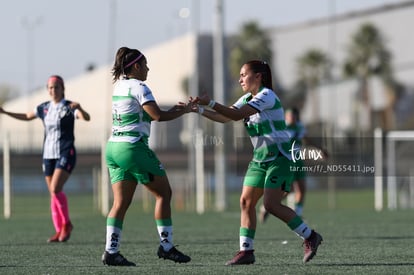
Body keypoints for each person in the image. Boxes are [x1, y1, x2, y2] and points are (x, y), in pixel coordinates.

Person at [191, 60, 323, 265]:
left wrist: (209, 102)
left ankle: (310, 236)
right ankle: (246, 251)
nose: (240, 78)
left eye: (244, 74)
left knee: (270, 204)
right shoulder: (247, 97)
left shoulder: (267, 96)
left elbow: (235, 115)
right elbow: (225, 117)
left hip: (280, 158)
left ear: (258, 76)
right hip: (260, 159)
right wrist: (198, 110)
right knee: (246, 202)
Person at [102, 46, 192, 266]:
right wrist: (185, 110)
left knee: (120, 203)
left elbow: (142, 115)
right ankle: (167, 246)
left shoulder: (120, 86)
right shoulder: (139, 86)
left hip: (113, 148)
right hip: (133, 149)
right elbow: (158, 116)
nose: (148, 69)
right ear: (136, 66)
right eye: (146, 65)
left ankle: (111, 251)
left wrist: (175, 110)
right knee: (164, 193)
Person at [0, 75, 90, 243]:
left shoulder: (70, 107)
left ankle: (67, 225)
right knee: (53, 194)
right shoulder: (44, 108)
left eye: (56, 87)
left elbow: (86, 118)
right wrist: (6, 112)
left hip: (65, 152)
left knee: (55, 188)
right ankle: (59, 230)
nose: (53, 90)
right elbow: (27, 116)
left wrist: (81, 109)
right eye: (50, 87)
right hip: (48, 155)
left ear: (62, 88)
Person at [259, 107, 327, 222]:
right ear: (285, 116)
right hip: (286, 161)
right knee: (288, 190)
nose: (291, 118)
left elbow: (306, 139)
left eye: (293, 116)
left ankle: (298, 214)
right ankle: (266, 207)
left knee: (301, 188)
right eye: (289, 115)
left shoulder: (299, 127)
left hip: (298, 160)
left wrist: (320, 149)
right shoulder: (281, 127)